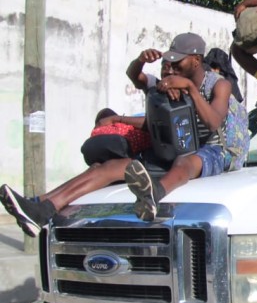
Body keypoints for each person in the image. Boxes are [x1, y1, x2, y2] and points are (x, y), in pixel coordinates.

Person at [1, 33, 236, 235]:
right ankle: (41, 208)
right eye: (169, 63)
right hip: (178, 149)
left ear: (196, 61)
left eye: (178, 63)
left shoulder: (218, 84)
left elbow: (214, 122)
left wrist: (190, 89)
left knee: (186, 161)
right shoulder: (172, 83)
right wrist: (140, 63)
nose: (172, 68)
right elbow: (143, 92)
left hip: (216, 149)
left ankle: (154, 194)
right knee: (106, 167)